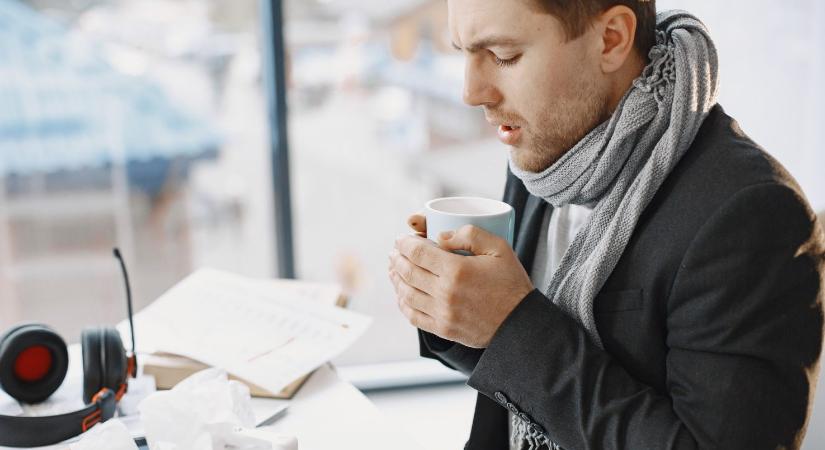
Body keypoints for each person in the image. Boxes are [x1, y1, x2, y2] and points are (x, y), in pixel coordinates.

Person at [386, 1, 825, 449]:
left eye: (503, 56)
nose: (471, 92)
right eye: (462, 52)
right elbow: (517, 379)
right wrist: (455, 306)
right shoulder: (545, 152)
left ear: (611, 38)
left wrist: (512, 325)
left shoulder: (753, 215)